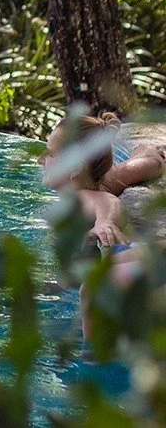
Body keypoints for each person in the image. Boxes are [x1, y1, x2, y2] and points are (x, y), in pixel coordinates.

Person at [41, 111, 165, 340]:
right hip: (108, 187)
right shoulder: (99, 182)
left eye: (49, 153)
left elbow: (106, 202)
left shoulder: (79, 198)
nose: (40, 160)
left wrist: (105, 223)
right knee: (144, 166)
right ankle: (148, 154)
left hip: (105, 272)